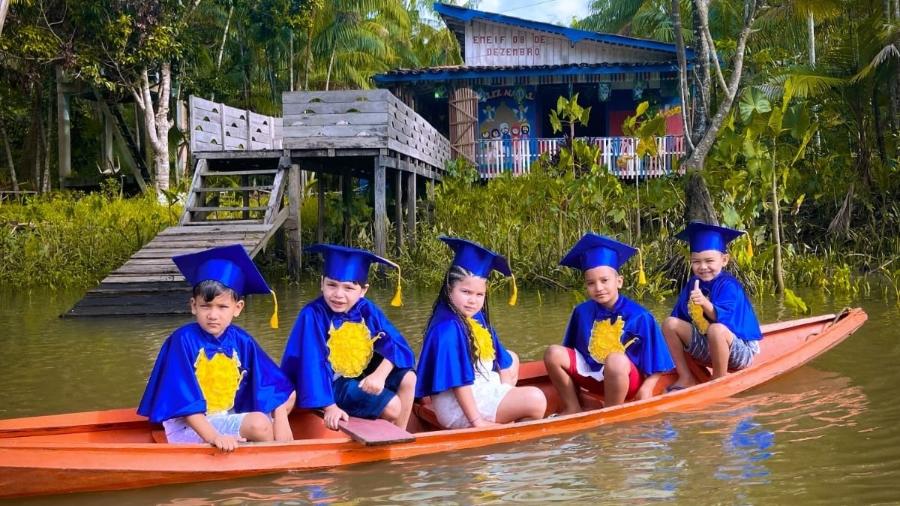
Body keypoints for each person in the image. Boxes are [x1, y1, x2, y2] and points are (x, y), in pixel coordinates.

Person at [138, 244, 296, 452]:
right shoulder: (182, 340)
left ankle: (270, 456)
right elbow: (183, 403)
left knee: (289, 394)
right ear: (194, 305)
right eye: (206, 306)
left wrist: (281, 417)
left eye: (222, 307)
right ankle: (272, 469)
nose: (213, 315)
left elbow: (274, 384)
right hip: (190, 427)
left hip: (225, 416)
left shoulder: (241, 340)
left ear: (237, 308)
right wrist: (214, 437)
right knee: (259, 423)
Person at [281, 244, 416, 431]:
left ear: (363, 290)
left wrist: (380, 374)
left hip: (357, 375)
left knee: (409, 378)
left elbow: (396, 344)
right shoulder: (312, 314)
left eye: (349, 288)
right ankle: (384, 426)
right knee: (393, 406)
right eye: (331, 285)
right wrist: (330, 407)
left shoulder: (366, 309)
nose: (338, 294)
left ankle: (400, 437)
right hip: (327, 384)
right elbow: (312, 364)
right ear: (321, 283)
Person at [416, 236, 546, 429]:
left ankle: (507, 417)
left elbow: (501, 359)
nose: (473, 301)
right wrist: (478, 422)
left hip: (478, 386)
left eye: (479, 295)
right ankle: (506, 428)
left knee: (512, 358)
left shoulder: (473, 316)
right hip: (459, 406)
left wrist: (504, 392)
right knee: (536, 399)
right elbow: (459, 382)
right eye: (466, 292)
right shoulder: (448, 328)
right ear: (449, 288)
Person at [544, 233, 675, 413]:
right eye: (591, 283)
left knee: (615, 360)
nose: (598, 288)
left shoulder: (640, 316)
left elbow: (659, 362)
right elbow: (571, 351)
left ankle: (613, 411)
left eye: (605, 280)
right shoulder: (581, 312)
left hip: (625, 381)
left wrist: (647, 387)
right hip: (592, 376)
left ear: (619, 281)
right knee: (553, 353)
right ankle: (573, 406)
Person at [662, 222, 762, 390]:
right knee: (669, 324)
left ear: (724, 260)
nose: (702, 267)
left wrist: (704, 303)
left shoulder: (729, 285)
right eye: (696, 262)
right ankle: (686, 377)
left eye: (709, 261)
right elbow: (679, 319)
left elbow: (723, 320)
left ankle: (718, 381)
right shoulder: (693, 283)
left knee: (716, 329)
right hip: (709, 345)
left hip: (739, 351)